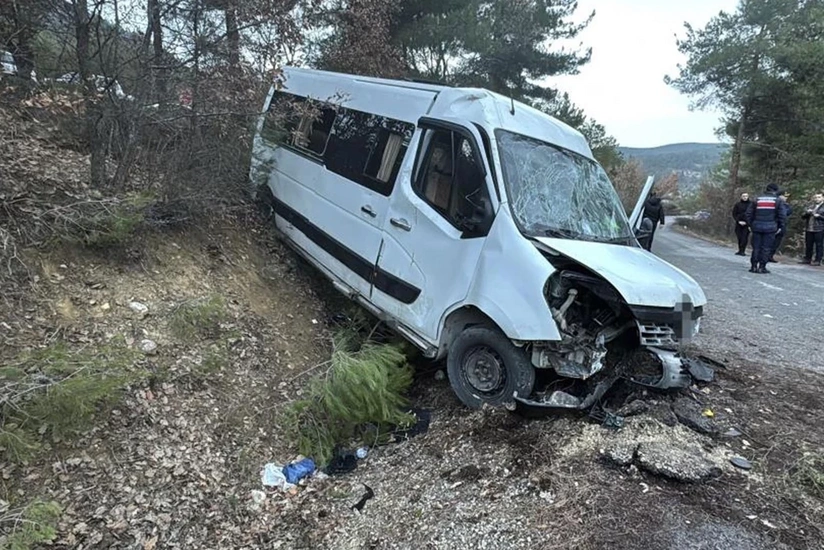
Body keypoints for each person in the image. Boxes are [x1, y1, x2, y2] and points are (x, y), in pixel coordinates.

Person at [745, 183, 786, 274]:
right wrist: (780, 226)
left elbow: (748, 213)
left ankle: (753, 266)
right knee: (766, 248)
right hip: (771, 227)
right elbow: (782, 215)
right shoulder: (778, 201)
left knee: (756, 247)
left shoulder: (757, 199)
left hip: (756, 226)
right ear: (775, 190)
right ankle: (762, 267)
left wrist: (750, 224)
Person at [800, 191, 824, 266]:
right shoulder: (811, 206)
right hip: (809, 228)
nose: (817, 199)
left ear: (823, 198)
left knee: (819, 245)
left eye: (819, 197)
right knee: (808, 244)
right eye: (816, 197)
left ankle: (818, 260)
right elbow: (803, 216)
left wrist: (819, 216)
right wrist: (807, 213)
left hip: (819, 228)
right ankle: (807, 258)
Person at [768, 190, 792, 262]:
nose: (786, 198)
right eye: (784, 196)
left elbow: (788, 212)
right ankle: (765, 255)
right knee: (769, 241)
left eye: (787, 197)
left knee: (777, 242)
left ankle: (770, 255)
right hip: (773, 224)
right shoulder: (774, 203)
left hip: (782, 225)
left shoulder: (786, 205)